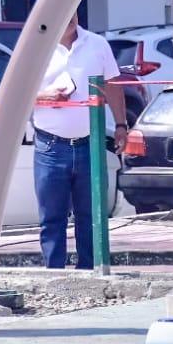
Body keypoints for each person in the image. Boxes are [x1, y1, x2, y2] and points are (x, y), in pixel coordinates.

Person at [32, 19, 126, 269]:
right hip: (50, 147)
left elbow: (113, 85)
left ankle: (90, 271)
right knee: (52, 219)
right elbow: (16, 91)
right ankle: (54, 275)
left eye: (73, 8)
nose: (69, 16)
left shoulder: (97, 44)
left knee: (91, 215)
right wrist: (45, 96)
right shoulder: (36, 45)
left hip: (89, 145)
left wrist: (121, 125)